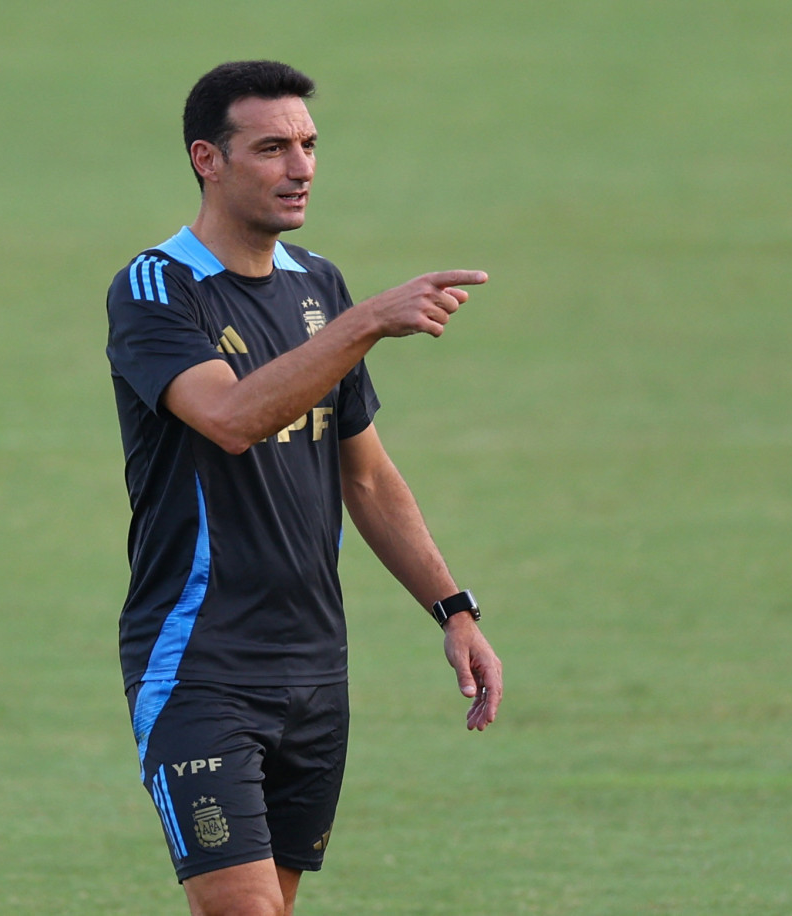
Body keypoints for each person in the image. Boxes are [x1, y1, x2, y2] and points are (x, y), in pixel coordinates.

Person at [105, 60, 503, 916]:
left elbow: (367, 474)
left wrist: (453, 609)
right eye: (274, 147)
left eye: (310, 146)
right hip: (202, 665)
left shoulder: (317, 286)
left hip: (315, 669)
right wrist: (368, 323)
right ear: (207, 158)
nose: (301, 168)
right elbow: (232, 417)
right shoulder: (156, 288)